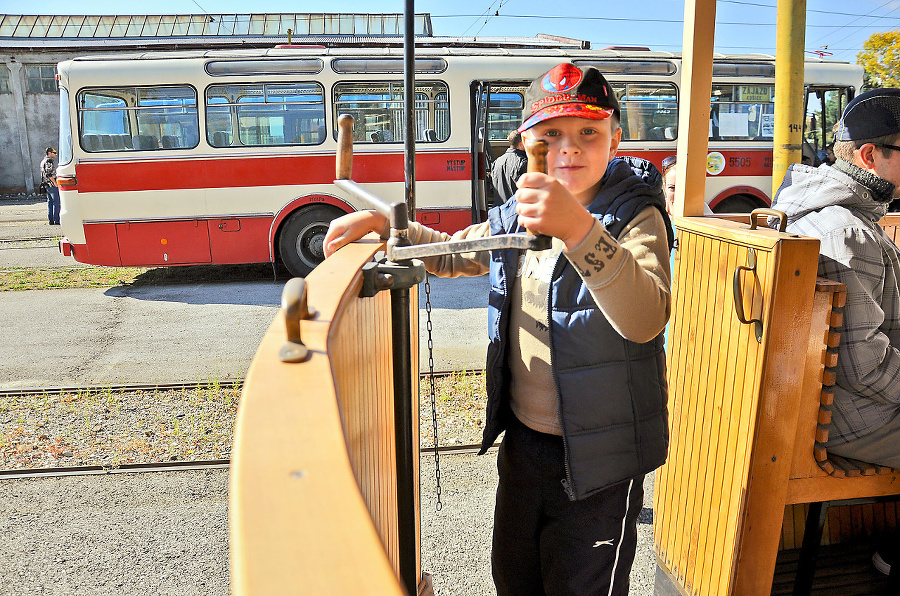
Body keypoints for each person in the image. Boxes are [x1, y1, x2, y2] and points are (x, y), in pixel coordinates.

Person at [325, 62, 674, 595]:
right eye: (550, 136)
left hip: (603, 456)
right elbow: (458, 253)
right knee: (515, 576)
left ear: (615, 140)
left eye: (589, 133)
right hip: (525, 443)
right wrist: (389, 228)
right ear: (525, 146)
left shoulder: (634, 214)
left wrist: (578, 230)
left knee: (584, 585)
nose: (570, 148)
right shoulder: (517, 214)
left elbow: (646, 318)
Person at [770, 88, 900, 577]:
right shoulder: (846, 230)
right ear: (870, 156)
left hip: (840, 402)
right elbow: (863, 366)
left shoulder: (848, 217)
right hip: (847, 414)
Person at [490, 129, 528, 205]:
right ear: (521, 144)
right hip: (515, 210)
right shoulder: (523, 162)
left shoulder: (497, 162)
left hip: (499, 210)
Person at [39, 147, 60, 225]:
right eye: (54, 152)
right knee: (56, 202)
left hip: (46, 185)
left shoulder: (43, 161)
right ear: (49, 153)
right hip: (51, 184)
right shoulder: (49, 161)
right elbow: (49, 173)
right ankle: (56, 220)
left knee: (50, 202)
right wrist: (55, 182)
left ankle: (51, 220)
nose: (55, 154)